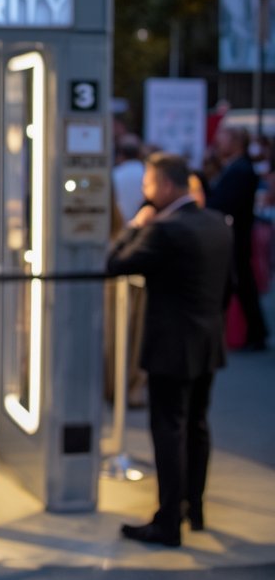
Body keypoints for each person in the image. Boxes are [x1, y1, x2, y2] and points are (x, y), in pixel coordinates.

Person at [106, 153, 232, 547]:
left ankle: (166, 523)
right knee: (197, 425)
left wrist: (133, 226)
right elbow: (230, 286)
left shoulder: (164, 229)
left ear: (164, 186)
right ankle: (193, 508)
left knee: (169, 430)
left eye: (147, 183)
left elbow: (115, 263)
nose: (144, 190)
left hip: (171, 346)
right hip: (207, 340)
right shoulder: (217, 223)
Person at [207, 126, 268, 350]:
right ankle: (253, 333)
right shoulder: (234, 167)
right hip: (234, 237)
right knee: (240, 286)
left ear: (235, 142)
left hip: (235, 238)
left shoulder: (240, 169)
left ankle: (254, 334)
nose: (217, 144)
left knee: (240, 286)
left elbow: (223, 203)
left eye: (221, 140)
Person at [112, 133, 145, 223]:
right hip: (143, 226)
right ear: (140, 154)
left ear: (119, 155)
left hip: (119, 229)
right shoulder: (148, 175)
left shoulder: (113, 175)